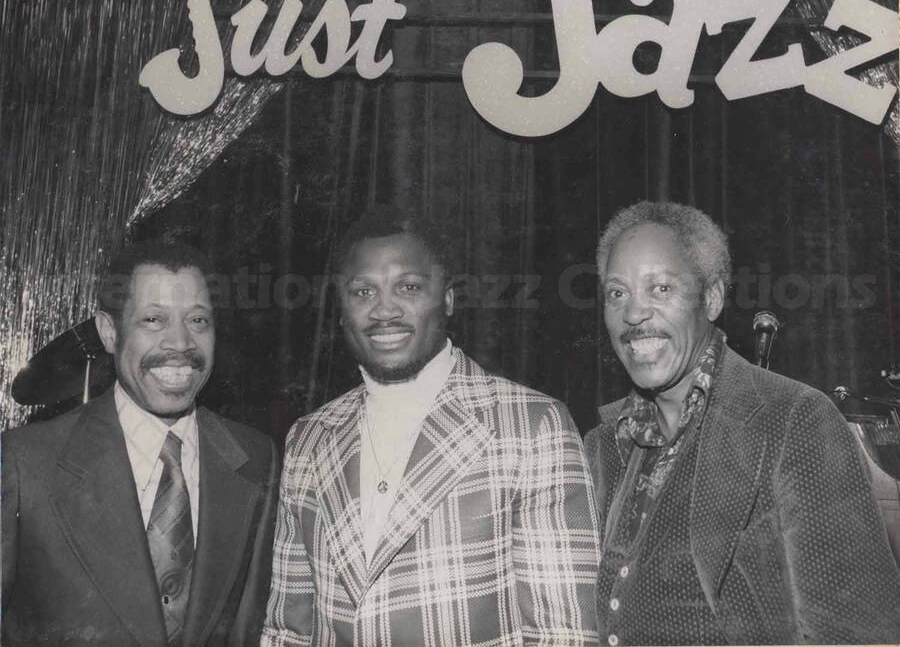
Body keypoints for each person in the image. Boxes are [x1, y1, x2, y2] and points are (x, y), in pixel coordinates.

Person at [263, 207, 600, 646]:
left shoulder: (533, 426)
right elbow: (287, 631)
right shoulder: (308, 438)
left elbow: (566, 635)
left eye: (408, 287)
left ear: (448, 299)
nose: (384, 310)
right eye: (363, 291)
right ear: (341, 310)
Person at [585, 200, 900, 645]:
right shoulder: (601, 445)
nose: (634, 315)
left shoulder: (795, 421)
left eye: (660, 289)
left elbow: (860, 635)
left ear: (711, 298)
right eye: (618, 293)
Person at [2, 240, 279, 646]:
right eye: (153, 319)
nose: (181, 343)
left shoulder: (255, 458)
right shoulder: (24, 463)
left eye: (198, 320)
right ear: (109, 332)